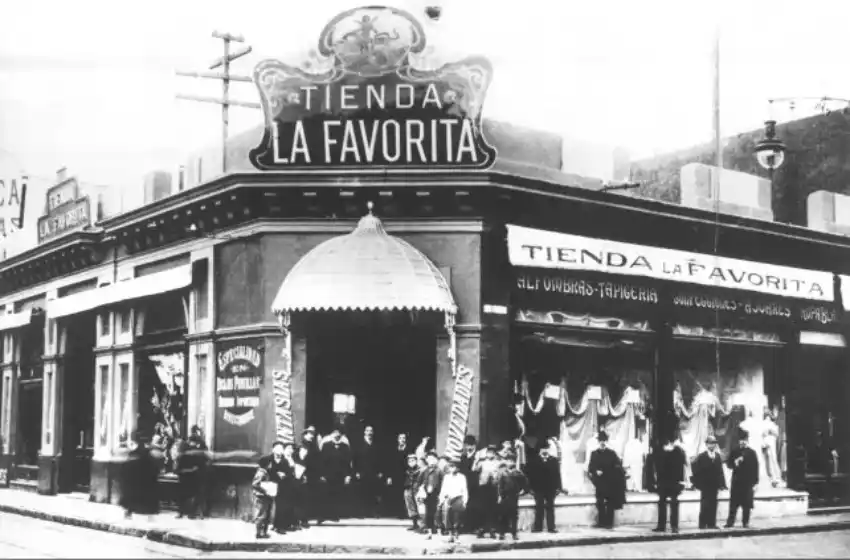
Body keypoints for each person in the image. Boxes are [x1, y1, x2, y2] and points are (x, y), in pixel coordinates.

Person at [650, 435, 687, 534]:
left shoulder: (678, 451)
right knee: (662, 502)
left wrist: (681, 480)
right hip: (663, 481)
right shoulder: (660, 451)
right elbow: (657, 466)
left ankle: (674, 526)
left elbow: (681, 467)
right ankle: (661, 525)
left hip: (674, 481)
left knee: (674, 503)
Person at [119, 431, 161, 520]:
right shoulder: (148, 454)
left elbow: (125, 468)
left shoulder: (134, 453)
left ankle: (130, 512)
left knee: (133, 498)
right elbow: (154, 468)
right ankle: (149, 517)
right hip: (143, 482)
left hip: (135, 482)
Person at [588, 430, 625, 529]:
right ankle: (601, 522)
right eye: (600, 440)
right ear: (598, 442)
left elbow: (617, 467)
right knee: (600, 503)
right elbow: (590, 467)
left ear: (606, 441)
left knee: (610, 504)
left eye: (604, 440)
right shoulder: (594, 454)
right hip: (599, 483)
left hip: (610, 482)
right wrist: (596, 471)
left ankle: (609, 523)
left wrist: (612, 473)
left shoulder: (611, 454)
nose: (602, 443)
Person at [691, 435, 727, 529]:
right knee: (705, 504)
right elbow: (695, 469)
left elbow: (720, 471)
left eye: (714, 443)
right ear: (706, 444)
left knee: (713, 503)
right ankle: (702, 524)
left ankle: (711, 523)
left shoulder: (717, 456)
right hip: (705, 484)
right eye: (710, 443)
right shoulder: (702, 456)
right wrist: (698, 483)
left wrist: (722, 484)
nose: (712, 445)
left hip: (714, 484)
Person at [725, 429, 760, 528]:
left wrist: (756, 482)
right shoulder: (735, 451)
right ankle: (730, 522)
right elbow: (729, 464)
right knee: (733, 504)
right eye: (741, 440)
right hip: (737, 482)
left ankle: (745, 522)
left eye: (744, 440)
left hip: (748, 483)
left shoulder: (752, 453)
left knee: (747, 505)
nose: (743, 442)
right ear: (739, 441)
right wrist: (735, 463)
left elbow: (756, 467)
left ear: (747, 441)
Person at [526, 443, 561, 533]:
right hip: (538, 488)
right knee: (539, 508)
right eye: (543, 449)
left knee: (550, 508)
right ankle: (538, 527)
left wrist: (559, 487)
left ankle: (551, 527)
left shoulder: (554, 460)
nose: (545, 451)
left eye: (546, 448)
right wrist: (530, 488)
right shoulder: (534, 460)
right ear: (540, 450)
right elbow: (530, 476)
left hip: (551, 488)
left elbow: (557, 474)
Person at [319, 428, 353, 523]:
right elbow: (321, 461)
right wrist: (322, 474)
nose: (337, 436)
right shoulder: (326, 445)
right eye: (335, 435)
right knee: (325, 495)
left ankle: (334, 515)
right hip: (327, 476)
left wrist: (348, 475)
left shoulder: (345, 447)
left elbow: (348, 462)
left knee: (336, 495)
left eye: (339, 435)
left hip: (339, 476)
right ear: (332, 435)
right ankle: (322, 516)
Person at [175, 427, 209, 519]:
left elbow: (178, 467)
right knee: (195, 495)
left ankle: (187, 512)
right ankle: (193, 513)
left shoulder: (187, 451)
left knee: (188, 495)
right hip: (193, 476)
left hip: (190, 477)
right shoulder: (197, 450)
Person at [496, 453, 528, 541]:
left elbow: (525, 483)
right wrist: (499, 496)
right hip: (504, 497)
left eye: (511, 461)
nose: (509, 463)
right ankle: (502, 534)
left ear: (514, 462)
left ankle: (514, 533)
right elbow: (500, 485)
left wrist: (522, 491)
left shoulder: (518, 473)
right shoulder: (503, 473)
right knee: (503, 516)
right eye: (508, 461)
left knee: (514, 516)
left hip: (514, 497)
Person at [353, 425, 383, 518]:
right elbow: (355, 459)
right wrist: (356, 472)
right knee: (362, 493)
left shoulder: (376, 444)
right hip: (362, 473)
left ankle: (373, 512)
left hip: (373, 473)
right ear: (364, 432)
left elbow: (380, 459)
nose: (369, 432)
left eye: (371, 431)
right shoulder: (358, 444)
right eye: (367, 431)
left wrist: (380, 471)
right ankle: (361, 513)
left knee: (373, 493)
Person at [267, 441, 297, 533]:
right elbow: (265, 471)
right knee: (270, 506)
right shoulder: (269, 459)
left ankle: (280, 526)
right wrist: (276, 474)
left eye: (281, 448)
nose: (279, 450)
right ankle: (273, 525)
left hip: (283, 486)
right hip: (271, 485)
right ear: (273, 449)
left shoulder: (284, 460)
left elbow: (289, 472)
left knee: (281, 506)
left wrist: (285, 474)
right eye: (277, 448)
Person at [439, 460, 469, 543]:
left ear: (457, 468)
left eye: (454, 467)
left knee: (457, 517)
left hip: (458, 498)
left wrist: (465, 501)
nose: (452, 468)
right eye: (451, 466)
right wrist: (441, 499)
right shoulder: (447, 477)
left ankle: (456, 536)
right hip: (448, 498)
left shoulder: (461, 477)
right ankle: (450, 535)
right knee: (448, 516)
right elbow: (443, 489)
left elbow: (464, 489)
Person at [418, 451, 444, 538]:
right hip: (427, 494)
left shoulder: (439, 471)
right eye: (429, 459)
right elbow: (419, 481)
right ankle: (429, 531)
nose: (431, 461)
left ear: (436, 460)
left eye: (433, 459)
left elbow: (442, 482)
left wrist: (441, 493)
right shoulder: (425, 470)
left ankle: (439, 529)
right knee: (428, 512)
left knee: (437, 512)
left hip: (437, 494)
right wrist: (421, 490)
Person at [386, 432, 411, 518]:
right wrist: (389, 476)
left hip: (406, 476)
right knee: (396, 494)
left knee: (406, 495)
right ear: (398, 439)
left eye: (404, 438)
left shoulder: (409, 450)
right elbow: (390, 464)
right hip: (396, 476)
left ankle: (406, 513)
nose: (402, 440)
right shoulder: (394, 450)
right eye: (400, 438)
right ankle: (398, 513)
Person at [252, 457, 275, 539]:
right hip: (261, 497)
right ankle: (259, 533)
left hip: (265, 497)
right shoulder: (261, 473)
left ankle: (262, 532)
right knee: (261, 515)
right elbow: (255, 484)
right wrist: (265, 490)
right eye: (270, 463)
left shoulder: (264, 472)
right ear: (267, 464)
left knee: (265, 515)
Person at [403, 453, 422, 531]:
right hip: (408, 489)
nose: (411, 462)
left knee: (419, 506)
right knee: (410, 507)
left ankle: (422, 525)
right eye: (409, 461)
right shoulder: (407, 470)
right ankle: (414, 524)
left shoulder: (420, 470)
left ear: (416, 461)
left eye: (413, 460)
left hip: (416, 489)